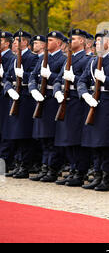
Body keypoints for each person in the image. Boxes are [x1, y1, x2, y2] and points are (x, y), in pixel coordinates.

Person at [78, 30, 109, 191]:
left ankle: (107, 177)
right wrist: (85, 95)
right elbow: (82, 81)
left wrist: (105, 80)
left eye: (98, 41)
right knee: (94, 143)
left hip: (108, 105)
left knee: (106, 143)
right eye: (95, 41)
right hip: (93, 103)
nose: (95, 44)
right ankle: (97, 174)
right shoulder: (92, 61)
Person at [53, 29, 92, 187]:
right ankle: (73, 169)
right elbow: (57, 79)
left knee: (76, 139)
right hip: (65, 101)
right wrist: (57, 92)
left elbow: (89, 82)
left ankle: (79, 171)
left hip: (78, 102)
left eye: (74, 39)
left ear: (82, 41)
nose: (71, 42)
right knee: (67, 138)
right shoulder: (67, 59)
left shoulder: (87, 59)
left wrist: (74, 79)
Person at [28, 31, 67, 182]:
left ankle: (53, 168)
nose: (47, 42)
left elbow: (61, 79)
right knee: (43, 137)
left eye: (50, 40)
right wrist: (33, 89)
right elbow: (32, 76)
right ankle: (45, 167)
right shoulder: (43, 58)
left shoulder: (62, 59)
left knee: (51, 137)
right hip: (40, 99)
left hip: (52, 100)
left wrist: (49, 75)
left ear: (58, 43)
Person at [3, 30, 39, 178]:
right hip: (14, 96)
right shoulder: (13, 58)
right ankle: (17, 163)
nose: (15, 44)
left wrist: (22, 75)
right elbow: (6, 78)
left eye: (18, 41)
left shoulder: (33, 57)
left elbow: (34, 76)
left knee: (23, 133)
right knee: (14, 133)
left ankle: (24, 164)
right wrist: (9, 89)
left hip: (26, 97)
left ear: (25, 42)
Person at [0, 31, 16, 169]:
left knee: (4, 128)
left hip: (4, 96)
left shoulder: (11, 57)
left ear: (6, 43)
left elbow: (10, 77)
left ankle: (4, 161)